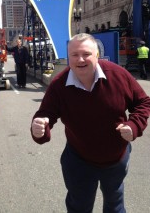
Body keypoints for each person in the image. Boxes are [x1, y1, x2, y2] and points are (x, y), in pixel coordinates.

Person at [31, 33, 150, 213]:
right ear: (68, 57)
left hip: (116, 159)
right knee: (79, 207)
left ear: (97, 55)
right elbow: (45, 115)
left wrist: (134, 125)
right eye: (74, 55)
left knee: (115, 206)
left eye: (86, 54)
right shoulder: (59, 85)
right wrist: (39, 128)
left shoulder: (118, 75)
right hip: (78, 160)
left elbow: (143, 102)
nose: (80, 59)